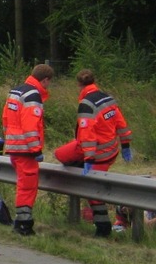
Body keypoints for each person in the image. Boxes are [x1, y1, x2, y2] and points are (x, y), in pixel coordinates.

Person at [53, 69, 134, 237]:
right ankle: (101, 224)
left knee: (62, 157)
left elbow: (87, 135)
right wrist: (125, 144)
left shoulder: (87, 105)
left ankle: (103, 228)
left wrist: (88, 158)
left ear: (79, 84)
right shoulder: (107, 98)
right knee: (90, 185)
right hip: (111, 151)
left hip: (97, 154)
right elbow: (121, 123)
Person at [2, 63, 55, 236]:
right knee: (28, 187)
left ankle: (21, 221)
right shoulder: (33, 95)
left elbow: (5, 118)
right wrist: (36, 150)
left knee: (22, 186)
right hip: (26, 150)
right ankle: (23, 224)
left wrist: (9, 141)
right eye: (49, 82)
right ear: (45, 80)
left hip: (14, 147)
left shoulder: (16, 91)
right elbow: (31, 126)